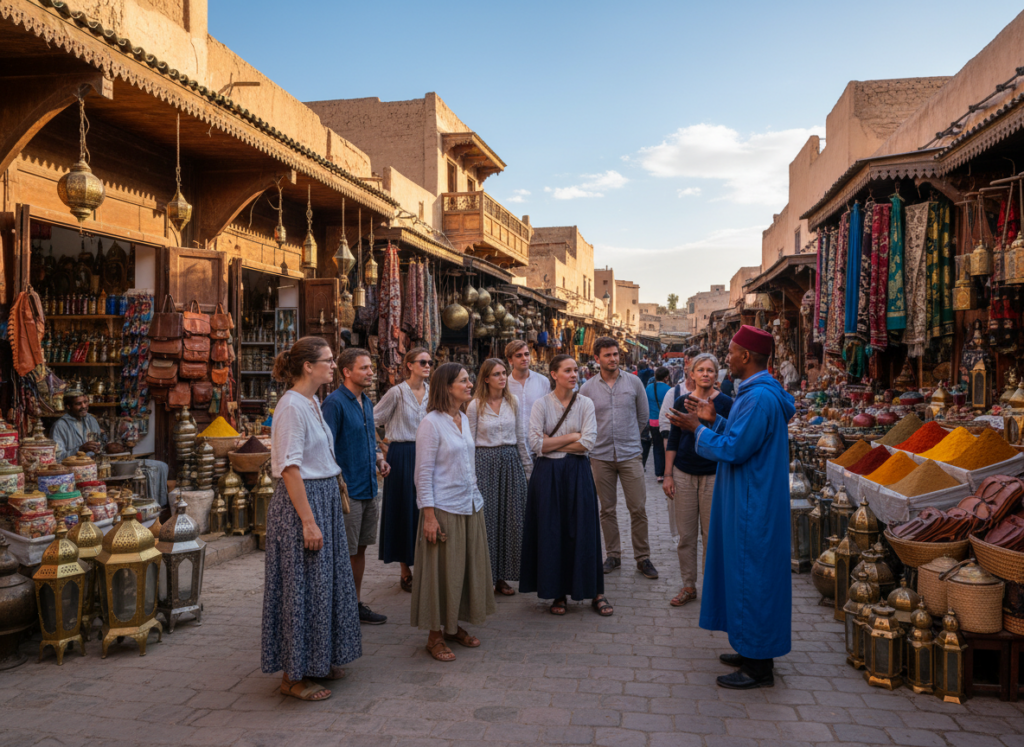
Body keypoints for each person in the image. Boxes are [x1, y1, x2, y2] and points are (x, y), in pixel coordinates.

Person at [669, 325, 794, 689]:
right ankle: (751, 648)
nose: (728, 359)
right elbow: (743, 435)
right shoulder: (755, 394)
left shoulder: (758, 398)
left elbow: (736, 449)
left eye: (733, 353)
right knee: (746, 573)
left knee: (751, 573)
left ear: (747, 357)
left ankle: (759, 666)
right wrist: (715, 420)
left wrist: (699, 430)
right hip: (750, 494)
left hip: (752, 501)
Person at [261, 337, 361, 702]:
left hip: (323, 498)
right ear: (308, 366)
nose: (333, 366)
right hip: (302, 503)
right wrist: (308, 521)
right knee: (301, 588)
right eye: (328, 360)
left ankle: (317, 659)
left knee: (324, 584)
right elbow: (289, 467)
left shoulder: (312, 402)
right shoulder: (291, 406)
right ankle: (293, 674)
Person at [412, 362, 496, 662]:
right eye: (463, 380)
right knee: (440, 574)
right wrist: (430, 516)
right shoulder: (431, 423)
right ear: (447, 387)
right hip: (444, 507)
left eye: (469, 379)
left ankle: (453, 626)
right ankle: (434, 637)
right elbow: (422, 473)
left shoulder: (462, 416)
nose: (469, 384)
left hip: (470, 503)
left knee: (462, 570)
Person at [520, 354, 612, 617]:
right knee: (552, 530)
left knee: (583, 529)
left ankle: (594, 590)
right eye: (568, 370)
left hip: (577, 471)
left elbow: (588, 443)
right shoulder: (541, 404)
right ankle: (557, 591)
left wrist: (557, 440)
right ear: (554, 374)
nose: (574, 375)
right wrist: (573, 436)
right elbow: (536, 444)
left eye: (575, 371)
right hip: (547, 474)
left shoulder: (585, 403)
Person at [322, 348, 390, 625]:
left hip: (369, 486)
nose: (370, 372)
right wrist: (339, 481)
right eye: (364, 368)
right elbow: (326, 447)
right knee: (344, 551)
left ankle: (355, 603)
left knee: (360, 549)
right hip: (347, 490)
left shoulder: (367, 402)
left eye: (371, 368)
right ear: (346, 372)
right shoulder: (334, 403)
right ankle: (339, 606)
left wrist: (378, 458)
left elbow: (368, 439)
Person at [579, 337, 657, 580]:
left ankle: (643, 558)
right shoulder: (587, 389)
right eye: (607, 355)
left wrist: (629, 437)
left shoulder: (634, 383)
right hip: (600, 456)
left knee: (638, 508)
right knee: (607, 509)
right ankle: (613, 554)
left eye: (615, 354)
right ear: (597, 359)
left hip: (630, 454)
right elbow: (584, 421)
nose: (613, 359)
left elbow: (643, 416)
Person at [662, 353, 733, 608]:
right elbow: (673, 440)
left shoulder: (726, 403)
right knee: (686, 535)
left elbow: (731, 438)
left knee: (711, 536)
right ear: (691, 374)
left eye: (710, 370)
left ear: (717, 375)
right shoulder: (682, 401)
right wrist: (668, 475)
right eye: (700, 370)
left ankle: (712, 590)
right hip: (683, 473)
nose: (705, 374)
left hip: (714, 475)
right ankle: (689, 586)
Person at [466, 358, 531, 596]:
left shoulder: (512, 402)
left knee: (511, 521)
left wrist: (527, 471)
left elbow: (521, 438)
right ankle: (486, 576)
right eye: (496, 374)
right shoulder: (475, 405)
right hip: (484, 463)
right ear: (486, 379)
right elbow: (469, 442)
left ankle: (503, 577)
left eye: (504, 373)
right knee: (487, 521)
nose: (503, 377)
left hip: (510, 462)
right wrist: (470, 475)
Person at [374, 347, 430, 593]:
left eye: (430, 362)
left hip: (427, 453)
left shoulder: (432, 393)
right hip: (402, 453)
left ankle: (427, 566)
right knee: (404, 509)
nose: (428, 365)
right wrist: (382, 448)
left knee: (425, 509)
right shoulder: (396, 393)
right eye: (423, 362)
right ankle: (405, 568)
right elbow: (370, 420)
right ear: (409, 365)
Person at [53, 390, 169, 507]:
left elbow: (100, 446)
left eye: (85, 402)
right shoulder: (60, 426)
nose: (84, 406)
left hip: (100, 466)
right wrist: (80, 449)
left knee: (159, 466)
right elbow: (57, 458)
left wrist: (110, 447)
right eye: (79, 404)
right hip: (80, 473)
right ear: (68, 406)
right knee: (139, 474)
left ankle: (158, 506)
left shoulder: (91, 420)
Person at [505, 340, 551, 460]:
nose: (524, 358)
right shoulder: (504, 385)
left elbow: (550, 411)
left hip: (540, 446)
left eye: (526, 354)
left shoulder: (542, 381)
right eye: (519, 356)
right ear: (510, 360)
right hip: (514, 447)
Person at [643, 367, 672, 482]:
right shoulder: (669, 389)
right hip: (665, 422)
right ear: (666, 377)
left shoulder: (649, 388)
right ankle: (668, 471)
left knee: (657, 447)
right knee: (667, 447)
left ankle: (659, 474)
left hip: (652, 422)